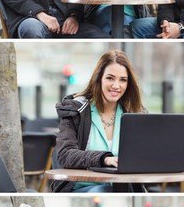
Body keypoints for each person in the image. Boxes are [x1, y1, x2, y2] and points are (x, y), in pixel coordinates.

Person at [52, 49, 145, 193]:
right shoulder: (76, 110)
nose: (116, 85)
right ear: (99, 78)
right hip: (82, 188)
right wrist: (104, 159)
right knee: (104, 191)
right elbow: (65, 154)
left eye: (123, 80)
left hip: (123, 187)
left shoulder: (134, 114)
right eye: (110, 78)